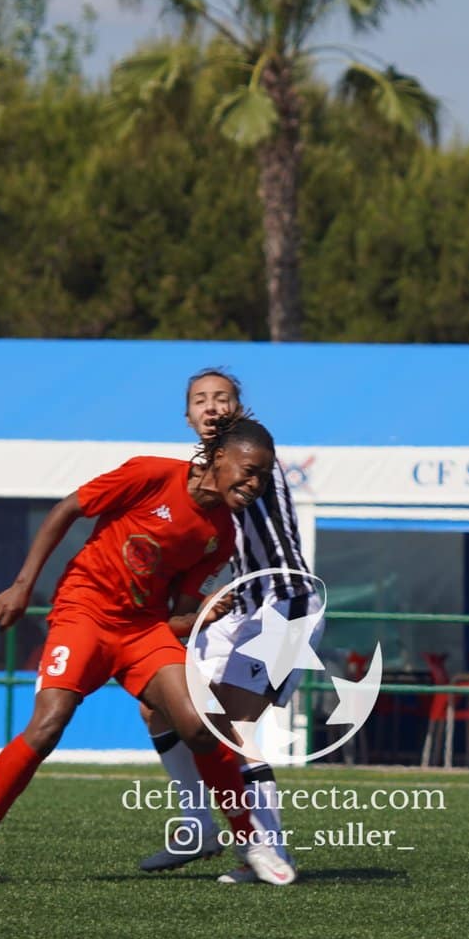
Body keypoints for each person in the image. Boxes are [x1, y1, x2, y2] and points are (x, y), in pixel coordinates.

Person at [0, 413, 296, 886]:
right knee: (48, 726)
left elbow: (175, 617)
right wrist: (22, 586)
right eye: (248, 470)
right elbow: (67, 510)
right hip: (83, 612)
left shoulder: (220, 536)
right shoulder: (149, 474)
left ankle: (249, 841)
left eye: (264, 477)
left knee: (200, 725)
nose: (255, 483)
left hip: (142, 630)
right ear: (217, 457)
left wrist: (199, 617)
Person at [136, 369, 322, 883]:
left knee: (232, 729)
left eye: (223, 398)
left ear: (240, 409)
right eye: (200, 400)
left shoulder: (250, 458)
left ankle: (270, 852)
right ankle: (198, 826)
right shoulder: (204, 470)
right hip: (241, 611)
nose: (212, 406)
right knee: (158, 706)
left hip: (284, 606)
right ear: (188, 415)